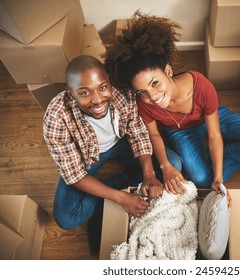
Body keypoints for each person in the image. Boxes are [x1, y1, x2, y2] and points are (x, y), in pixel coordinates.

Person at [105, 11, 240, 199]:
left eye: (155, 83)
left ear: (168, 71)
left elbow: (214, 134)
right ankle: (214, 160)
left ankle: (213, 158)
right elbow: (154, 134)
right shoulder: (143, 102)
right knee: (202, 181)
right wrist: (166, 166)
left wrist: (219, 178)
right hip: (180, 131)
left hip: (212, 117)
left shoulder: (201, 85)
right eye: (141, 91)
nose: (152, 96)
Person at [43, 55, 181, 256]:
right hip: (86, 158)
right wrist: (122, 198)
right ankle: (122, 184)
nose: (98, 99)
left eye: (102, 87)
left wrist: (149, 174)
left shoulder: (123, 90)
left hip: (121, 143)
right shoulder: (56, 117)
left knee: (173, 163)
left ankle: (121, 184)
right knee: (67, 218)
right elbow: (74, 175)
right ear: (71, 95)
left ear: (108, 80)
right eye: (84, 93)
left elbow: (137, 133)